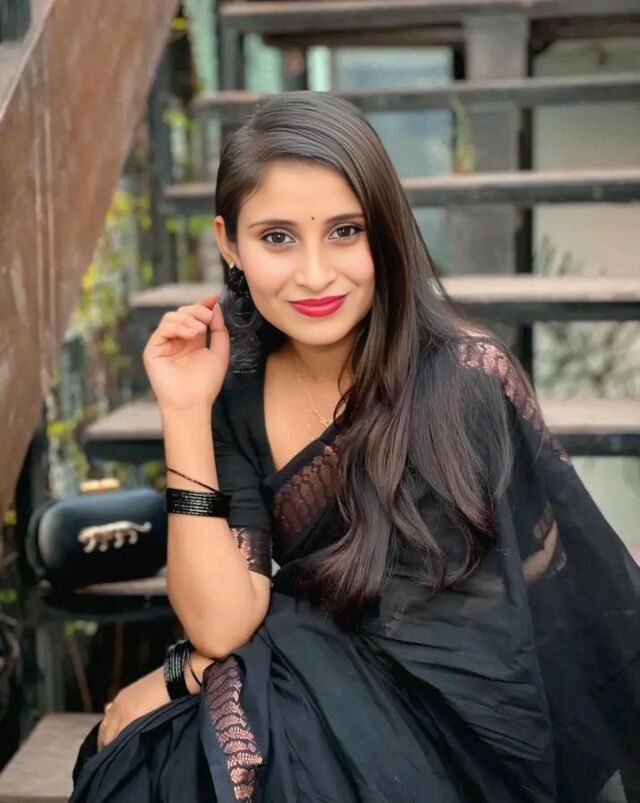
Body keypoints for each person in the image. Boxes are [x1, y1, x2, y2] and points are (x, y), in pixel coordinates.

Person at [70, 91, 640, 803]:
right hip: (321, 683)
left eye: (345, 231)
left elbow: (431, 633)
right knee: (137, 764)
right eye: (278, 237)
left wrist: (182, 674)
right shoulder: (236, 389)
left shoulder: (460, 381)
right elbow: (221, 621)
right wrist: (184, 411)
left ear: (386, 230)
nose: (315, 274)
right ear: (229, 243)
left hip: (457, 724)